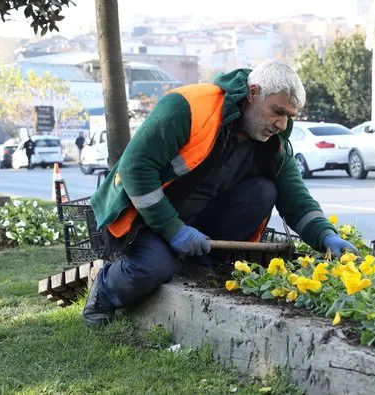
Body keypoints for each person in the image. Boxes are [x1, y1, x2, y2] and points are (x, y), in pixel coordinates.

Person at [83, 61, 359, 326]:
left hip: (195, 222)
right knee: (153, 269)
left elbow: (296, 200)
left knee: (264, 191)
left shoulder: (274, 143)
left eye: (289, 116)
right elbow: (135, 169)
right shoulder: (188, 107)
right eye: (277, 111)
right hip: (139, 217)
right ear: (253, 93)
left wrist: (326, 236)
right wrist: (172, 229)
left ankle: (201, 265)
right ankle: (104, 292)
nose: (282, 124)